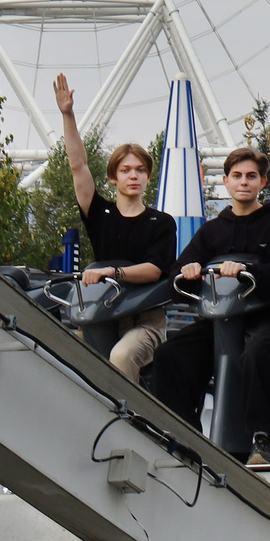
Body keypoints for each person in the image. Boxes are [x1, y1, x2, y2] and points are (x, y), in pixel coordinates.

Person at [145, 147, 270, 462]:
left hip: (267, 318)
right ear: (226, 182)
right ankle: (184, 434)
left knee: (257, 353)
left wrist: (248, 272)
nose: (243, 182)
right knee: (169, 355)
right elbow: (176, 276)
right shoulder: (213, 230)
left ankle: (261, 441)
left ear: (262, 182)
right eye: (237, 176)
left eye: (251, 177)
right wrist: (188, 273)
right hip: (221, 322)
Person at [55, 74, 175, 382]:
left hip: (142, 321)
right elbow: (77, 165)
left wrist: (112, 273)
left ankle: (132, 422)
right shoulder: (101, 213)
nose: (132, 176)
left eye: (139, 170)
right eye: (125, 170)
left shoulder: (161, 222)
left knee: (121, 356)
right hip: (101, 314)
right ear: (113, 178)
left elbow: (155, 270)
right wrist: (68, 115)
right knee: (58, 353)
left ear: (148, 176)